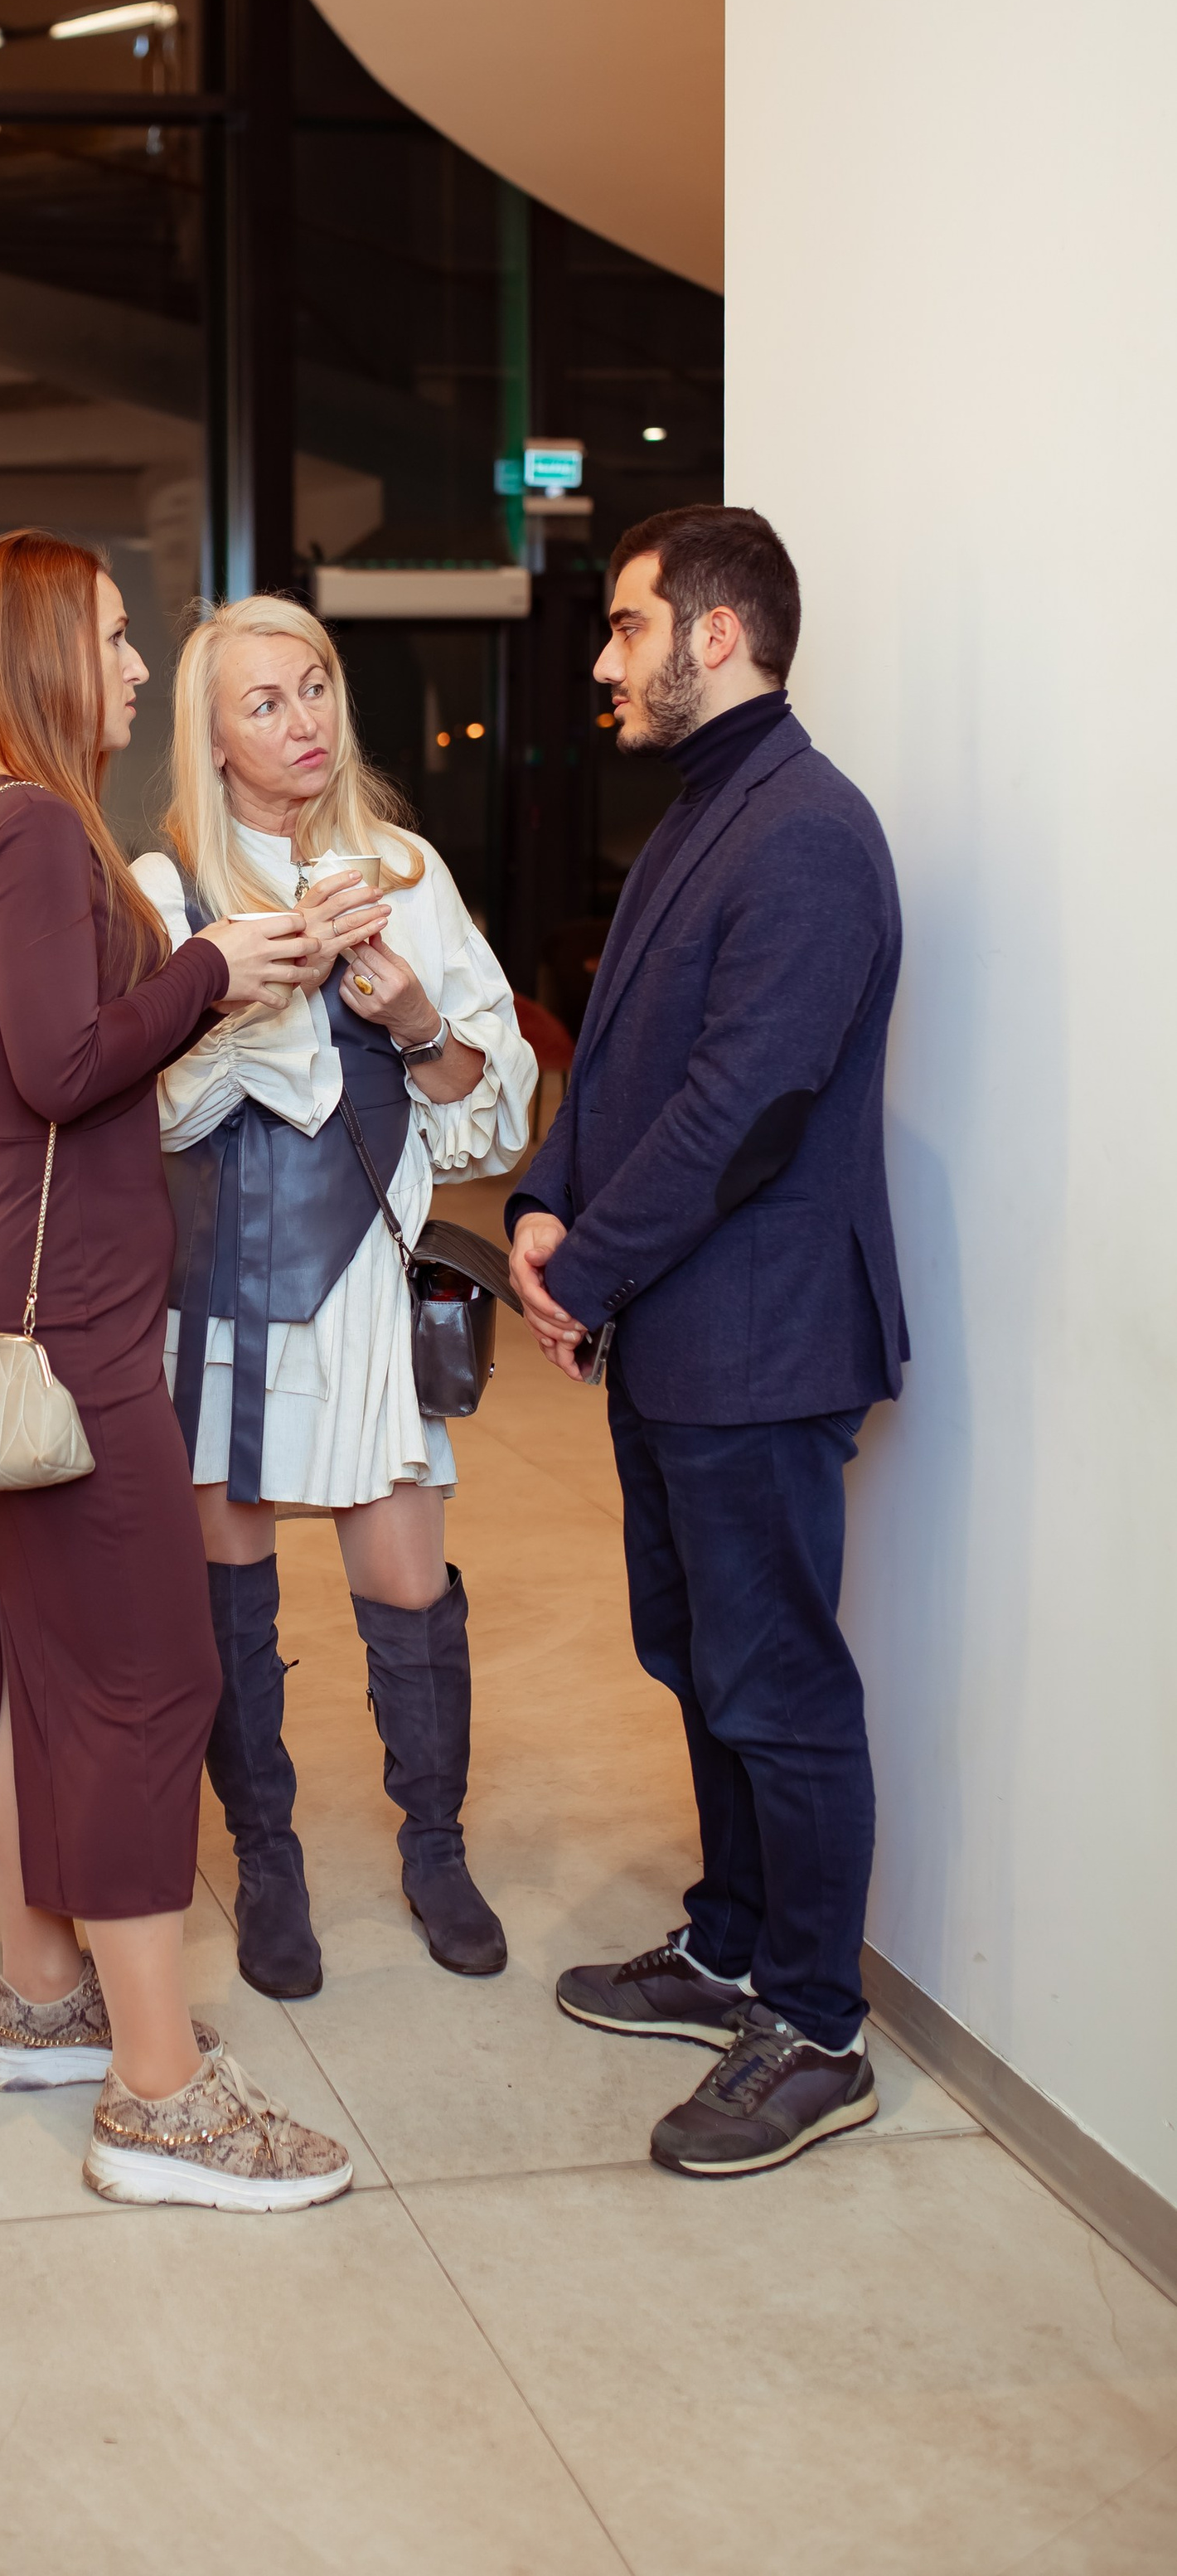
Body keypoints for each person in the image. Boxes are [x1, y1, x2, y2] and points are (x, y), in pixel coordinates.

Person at [0, 530, 350, 2210]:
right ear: (43, 649)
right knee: (147, 1677)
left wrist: (200, 986)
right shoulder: (35, 824)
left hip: (38, 1293)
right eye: (108, 637)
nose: (129, 667)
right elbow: (54, 1066)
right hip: (74, 1313)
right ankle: (158, 2094)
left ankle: (45, 1991)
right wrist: (209, 972)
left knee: (45, 1656)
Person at [507, 504, 905, 2181]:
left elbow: (744, 1108)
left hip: (757, 1340)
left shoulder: (805, 830)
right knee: (696, 1657)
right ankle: (731, 1943)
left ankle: (814, 2026)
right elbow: (622, 1062)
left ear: (715, 636)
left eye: (624, 626)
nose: (604, 661)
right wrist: (545, 1197)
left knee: (775, 1683)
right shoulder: (701, 808)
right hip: (681, 1330)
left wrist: (584, 1269)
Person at [138, 597, 537, 1999]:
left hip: (367, 1278)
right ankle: (268, 1860)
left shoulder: (407, 872)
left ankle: (437, 1848)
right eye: (264, 702)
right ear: (213, 738)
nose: (302, 721)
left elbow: (488, 1110)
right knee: (228, 1596)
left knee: (408, 1584)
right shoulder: (164, 887)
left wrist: (415, 1018)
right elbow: (142, 1110)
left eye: (314, 687)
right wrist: (259, 988)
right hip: (220, 1297)